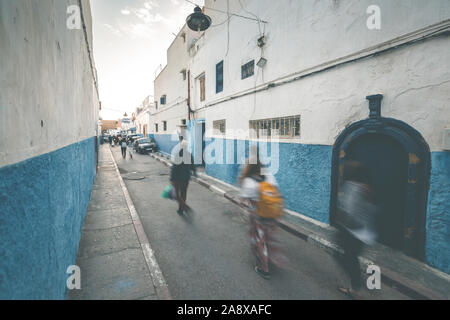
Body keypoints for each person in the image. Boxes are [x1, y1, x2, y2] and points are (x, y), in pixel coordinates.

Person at [335, 161, 378, 298]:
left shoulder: (352, 187)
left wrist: (341, 222)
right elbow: (374, 210)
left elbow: (349, 210)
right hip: (365, 233)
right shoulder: (368, 188)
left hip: (353, 231)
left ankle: (357, 287)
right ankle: (358, 283)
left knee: (346, 257)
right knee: (351, 257)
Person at [239, 156, 285, 280]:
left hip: (258, 216)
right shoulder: (269, 176)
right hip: (272, 213)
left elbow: (243, 200)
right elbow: (277, 192)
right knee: (270, 238)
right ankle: (273, 259)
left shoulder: (249, 181)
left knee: (260, 241)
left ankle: (263, 268)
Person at [170, 135, 196, 216]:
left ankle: (185, 207)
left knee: (176, 195)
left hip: (177, 179)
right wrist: (194, 173)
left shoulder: (178, 155)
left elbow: (175, 168)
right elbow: (192, 166)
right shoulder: (189, 154)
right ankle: (181, 209)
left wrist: (171, 178)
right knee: (183, 194)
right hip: (186, 178)